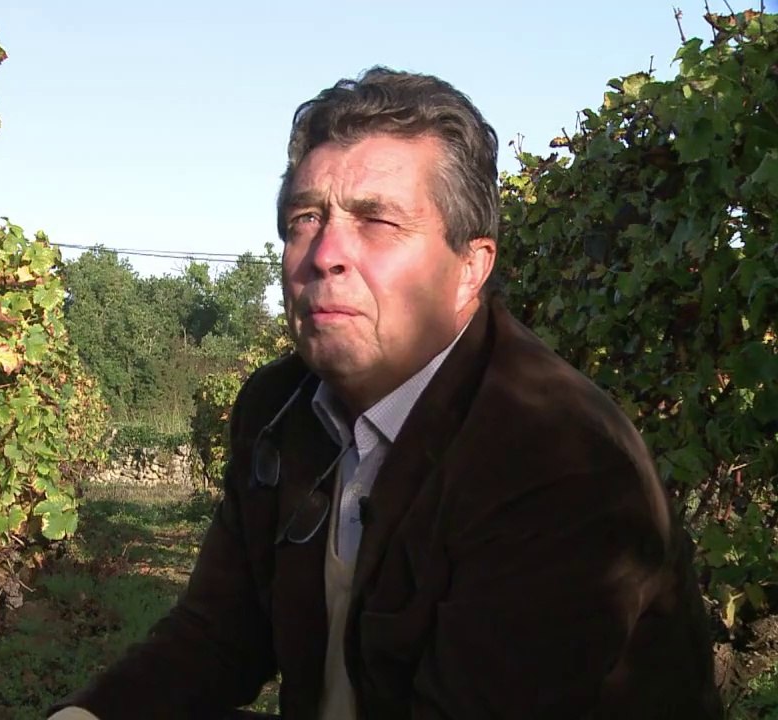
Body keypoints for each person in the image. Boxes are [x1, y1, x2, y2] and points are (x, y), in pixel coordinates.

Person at [46, 67, 722, 719]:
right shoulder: (279, 409)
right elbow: (222, 631)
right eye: (305, 218)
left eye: (378, 222)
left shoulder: (556, 454)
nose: (324, 254)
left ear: (470, 268)